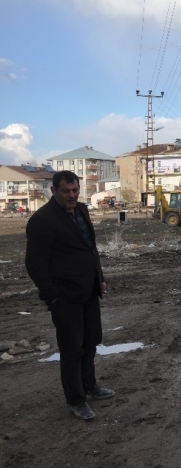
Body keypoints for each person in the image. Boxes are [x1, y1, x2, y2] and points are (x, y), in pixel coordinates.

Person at [25, 170, 115, 421]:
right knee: (71, 349)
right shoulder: (42, 220)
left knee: (91, 342)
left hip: (89, 291)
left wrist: (100, 278)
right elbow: (34, 265)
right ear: (53, 191)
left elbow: (90, 248)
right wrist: (54, 297)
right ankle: (76, 399)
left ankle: (90, 385)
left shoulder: (82, 210)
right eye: (66, 191)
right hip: (65, 297)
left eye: (75, 190)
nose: (71, 195)